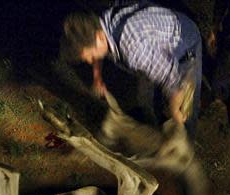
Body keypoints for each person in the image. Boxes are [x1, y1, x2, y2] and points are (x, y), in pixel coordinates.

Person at [60, 1, 202, 138]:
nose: (91, 61)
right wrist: (97, 78)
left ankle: (185, 149)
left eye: (90, 56)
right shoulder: (99, 25)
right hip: (152, 37)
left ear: (99, 37)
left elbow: (172, 79)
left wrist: (174, 109)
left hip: (184, 40)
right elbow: (95, 51)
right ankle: (156, 135)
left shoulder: (133, 49)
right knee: (145, 99)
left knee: (184, 112)